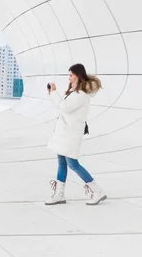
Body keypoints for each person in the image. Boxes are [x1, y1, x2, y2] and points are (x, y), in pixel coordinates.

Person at [45, 63, 107, 206]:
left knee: (72, 163)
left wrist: (53, 92)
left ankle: (97, 191)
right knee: (62, 162)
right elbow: (64, 106)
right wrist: (52, 93)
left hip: (70, 134)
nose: (69, 78)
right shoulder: (75, 92)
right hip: (65, 134)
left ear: (78, 76)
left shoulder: (81, 95)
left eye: (71, 75)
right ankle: (59, 194)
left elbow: (64, 107)